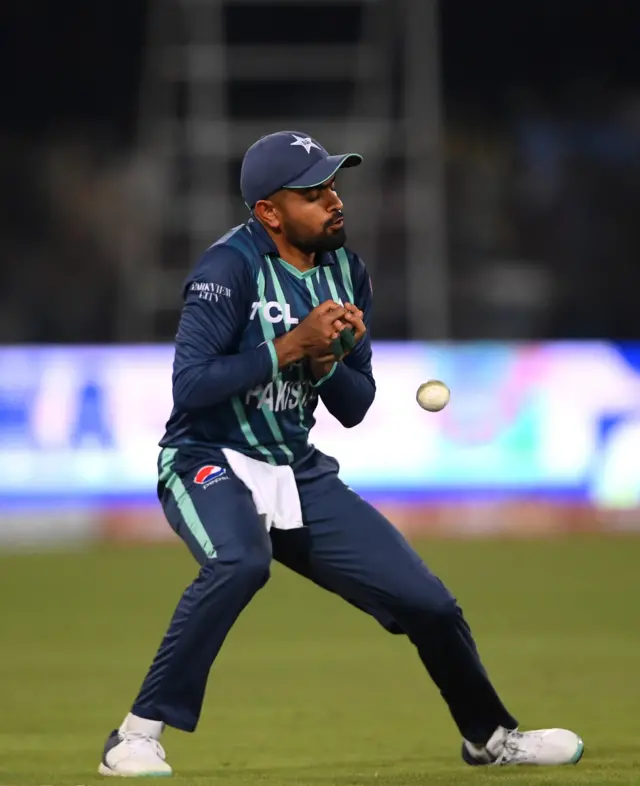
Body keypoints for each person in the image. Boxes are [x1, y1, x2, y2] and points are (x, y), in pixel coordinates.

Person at [99, 131, 583, 776]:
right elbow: (189, 386)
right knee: (240, 564)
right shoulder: (228, 270)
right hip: (206, 456)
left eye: (333, 186)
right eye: (313, 192)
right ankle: (134, 735)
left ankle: (490, 739)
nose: (334, 201)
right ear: (269, 212)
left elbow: (354, 406)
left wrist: (325, 364)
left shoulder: (347, 271)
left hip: (296, 469)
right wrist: (290, 347)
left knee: (429, 603)